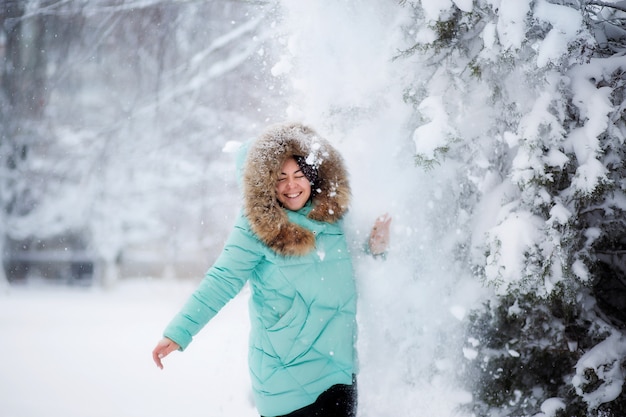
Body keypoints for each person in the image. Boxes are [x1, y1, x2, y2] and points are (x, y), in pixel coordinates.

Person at [152, 122, 391, 417]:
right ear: (265, 183)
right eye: (281, 178)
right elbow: (222, 280)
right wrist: (180, 331)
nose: (292, 186)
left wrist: (376, 246)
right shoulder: (255, 228)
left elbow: (358, 262)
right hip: (287, 379)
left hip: (340, 372)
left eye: (299, 175)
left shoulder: (333, 215)